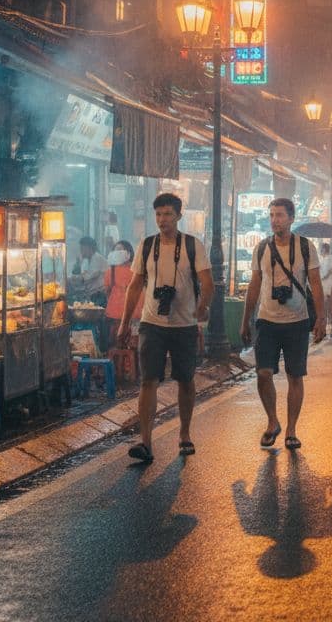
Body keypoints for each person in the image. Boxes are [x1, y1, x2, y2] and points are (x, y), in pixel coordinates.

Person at [117, 193, 214, 463]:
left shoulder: (193, 246)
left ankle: (184, 434)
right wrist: (126, 322)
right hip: (152, 323)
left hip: (184, 324)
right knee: (148, 380)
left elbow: (208, 283)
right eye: (158, 214)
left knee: (185, 379)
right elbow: (135, 285)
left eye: (168, 214)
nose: (162, 220)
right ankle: (145, 441)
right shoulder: (147, 246)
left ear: (178, 216)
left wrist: (203, 306)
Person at [240, 198, 326, 452]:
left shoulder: (305, 247)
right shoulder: (262, 248)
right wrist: (246, 319)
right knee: (263, 373)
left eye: (280, 215)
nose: (275, 219)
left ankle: (291, 430)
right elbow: (254, 285)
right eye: (272, 215)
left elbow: (316, 284)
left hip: (297, 322)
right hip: (267, 320)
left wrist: (321, 318)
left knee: (295, 376)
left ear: (291, 218)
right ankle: (272, 422)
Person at [103, 240, 135, 354]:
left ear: (129, 253)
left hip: (132, 316)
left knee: (127, 344)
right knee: (119, 344)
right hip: (115, 315)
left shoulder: (136, 271)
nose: (118, 252)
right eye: (115, 250)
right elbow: (108, 292)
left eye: (120, 249)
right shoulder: (109, 272)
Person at [70, 236, 109, 306]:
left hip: (99, 296)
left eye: (82, 249)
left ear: (90, 248)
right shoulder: (87, 261)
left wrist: (71, 278)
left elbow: (86, 278)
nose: (81, 252)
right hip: (92, 294)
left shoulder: (97, 259)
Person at [319, 242, 332, 338]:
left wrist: (327, 273)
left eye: (321, 249)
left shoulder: (324, 261)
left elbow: (323, 276)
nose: (320, 251)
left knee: (329, 310)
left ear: (323, 250)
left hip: (327, 289)